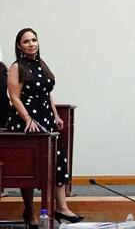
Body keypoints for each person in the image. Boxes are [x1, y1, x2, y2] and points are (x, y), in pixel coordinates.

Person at [6, 28, 83, 226]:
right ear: (19, 46)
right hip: (26, 121)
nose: (31, 44)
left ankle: (62, 208)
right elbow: (14, 97)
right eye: (26, 41)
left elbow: (46, 93)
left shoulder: (41, 65)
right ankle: (30, 212)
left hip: (47, 118)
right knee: (29, 168)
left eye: (34, 40)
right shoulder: (17, 67)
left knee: (58, 162)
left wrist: (56, 115)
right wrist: (28, 119)